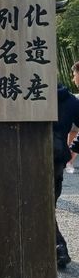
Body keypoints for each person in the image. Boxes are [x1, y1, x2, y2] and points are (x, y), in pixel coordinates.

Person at [54, 76, 79, 267]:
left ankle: (59, 247)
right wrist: (73, 150)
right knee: (48, 205)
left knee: (40, 205)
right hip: (57, 157)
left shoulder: (29, 96)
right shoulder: (71, 101)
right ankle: (58, 247)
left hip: (29, 156)